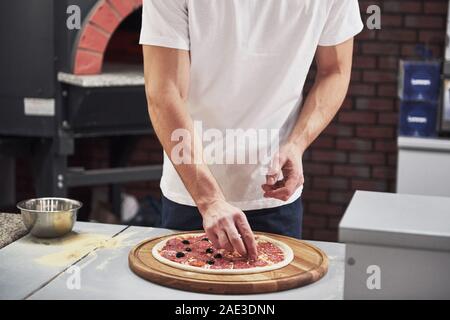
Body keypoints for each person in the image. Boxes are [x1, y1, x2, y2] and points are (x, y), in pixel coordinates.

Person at [140, 0, 363, 260]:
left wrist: (296, 144)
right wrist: (210, 200)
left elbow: (334, 71)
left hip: (274, 194)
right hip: (193, 193)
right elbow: (164, 93)